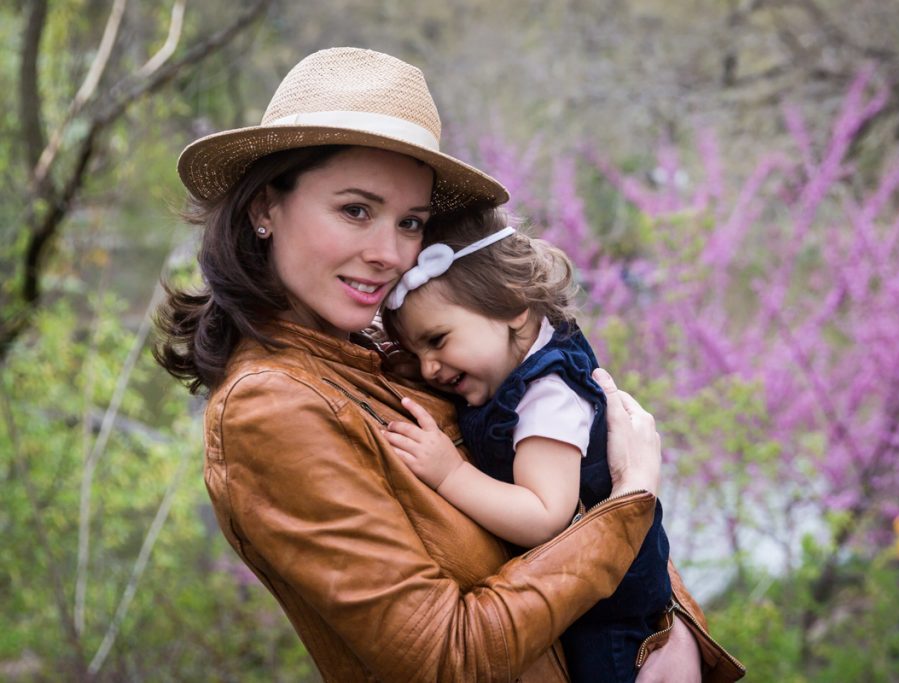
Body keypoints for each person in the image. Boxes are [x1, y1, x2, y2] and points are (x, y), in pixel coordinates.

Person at [155, 47, 744, 682]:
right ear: (264, 208)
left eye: (410, 221)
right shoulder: (272, 409)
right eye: (356, 209)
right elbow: (446, 656)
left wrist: (666, 628)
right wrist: (633, 503)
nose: (390, 254)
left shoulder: (392, 358)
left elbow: (572, 495)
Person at [380, 207, 673, 682]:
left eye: (437, 341)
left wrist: (450, 473)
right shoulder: (510, 360)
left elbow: (543, 516)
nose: (429, 367)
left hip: (610, 618)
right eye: (416, 353)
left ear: (512, 304)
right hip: (582, 597)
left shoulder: (547, 395)